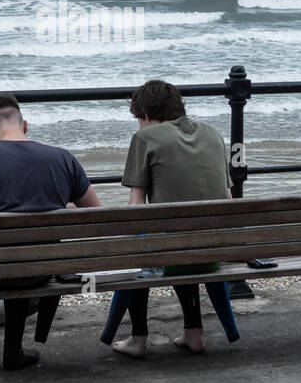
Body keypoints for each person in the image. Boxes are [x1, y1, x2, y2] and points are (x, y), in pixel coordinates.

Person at [0, 94, 101, 370]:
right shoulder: (62, 158)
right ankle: (12, 352)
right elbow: (97, 215)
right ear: (24, 125)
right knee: (21, 257)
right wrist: (61, 209)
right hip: (38, 272)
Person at [102, 80, 239, 357]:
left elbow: (136, 209)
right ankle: (194, 333)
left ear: (147, 115)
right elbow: (227, 199)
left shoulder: (145, 138)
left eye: (138, 119)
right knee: (177, 239)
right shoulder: (213, 134)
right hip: (215, 250)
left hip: (173, 255)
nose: (138, 126)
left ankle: (138, 339)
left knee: (141, 250)